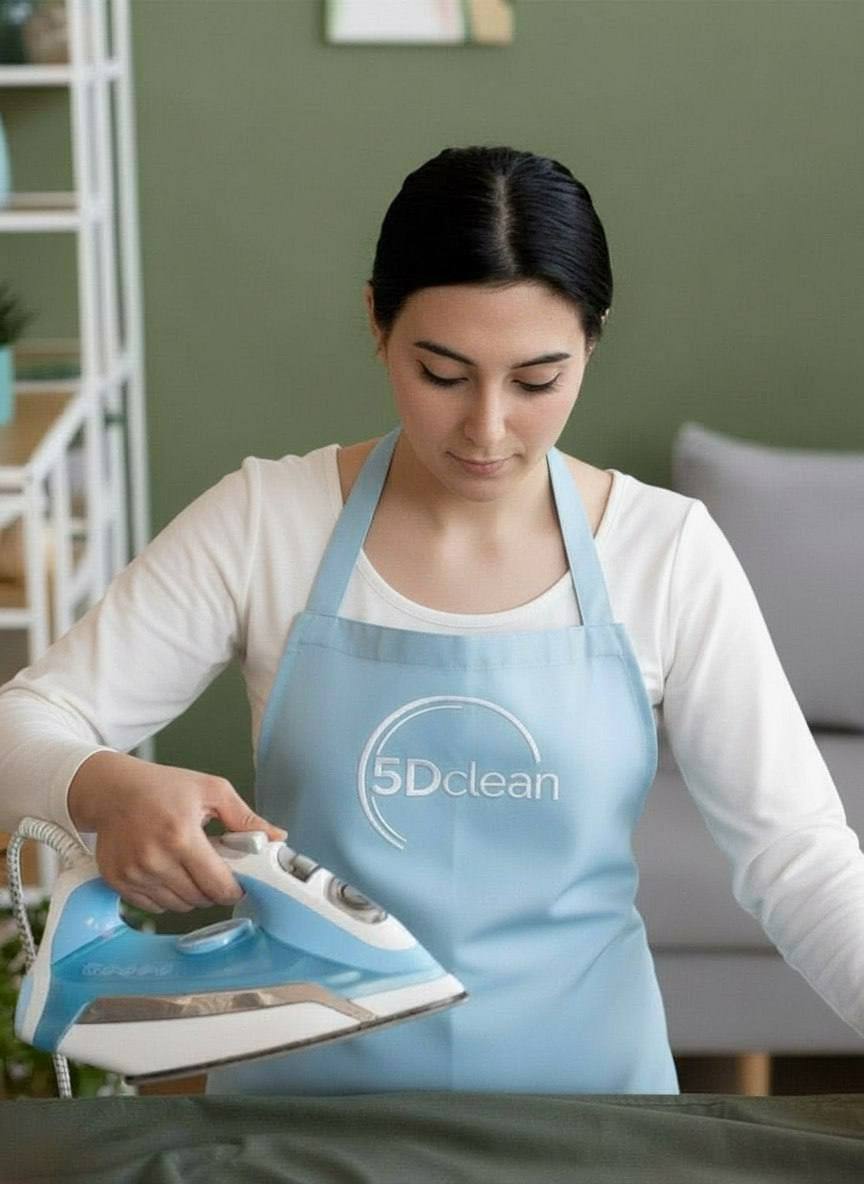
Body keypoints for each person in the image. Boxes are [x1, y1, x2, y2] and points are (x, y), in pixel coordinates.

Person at [1, 144, 863, 1097]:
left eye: (536, 381)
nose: (487, 428)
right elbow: (20, 724)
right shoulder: (267, 523)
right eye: (443, 374)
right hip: (303, 1124)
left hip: (593, 1116)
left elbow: (797, 856)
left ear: (592, 342)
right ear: (377, 321)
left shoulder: (665, 552)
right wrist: (104, 785)